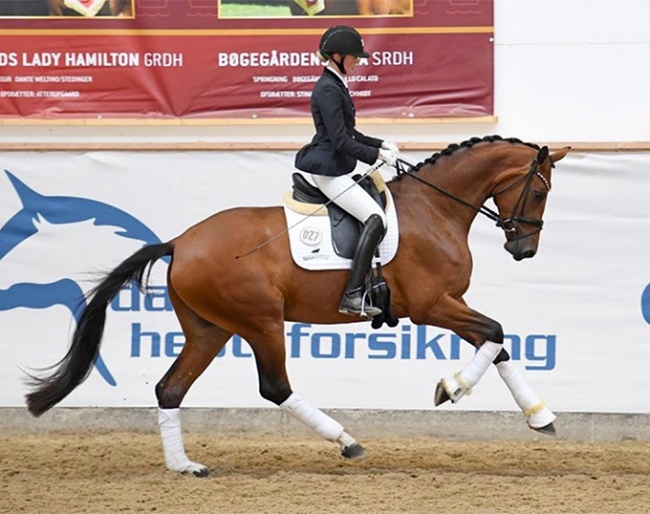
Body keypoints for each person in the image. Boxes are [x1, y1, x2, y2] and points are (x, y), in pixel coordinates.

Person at [295, 25, 399, 319]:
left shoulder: (336, 82)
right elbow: (341, 141)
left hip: (336, 165)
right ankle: (353, 295)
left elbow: (350, 132)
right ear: (337, 56)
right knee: (375, 218)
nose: (357, 61)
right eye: (354, 57)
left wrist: (380, 143)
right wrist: (376, 155)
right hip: (329, 170)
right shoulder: (327, 88)